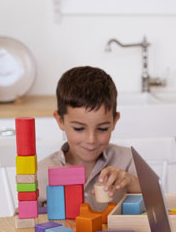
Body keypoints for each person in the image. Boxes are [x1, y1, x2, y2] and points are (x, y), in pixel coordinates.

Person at [37, 66, 140, 208]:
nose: (91, 140)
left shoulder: (128, 160)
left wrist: (130, 181)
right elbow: (26, 220)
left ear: (114, 121)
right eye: (79, 128)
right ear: (60, 121)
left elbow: (156, 201)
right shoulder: (41, 172)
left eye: (102, 128)